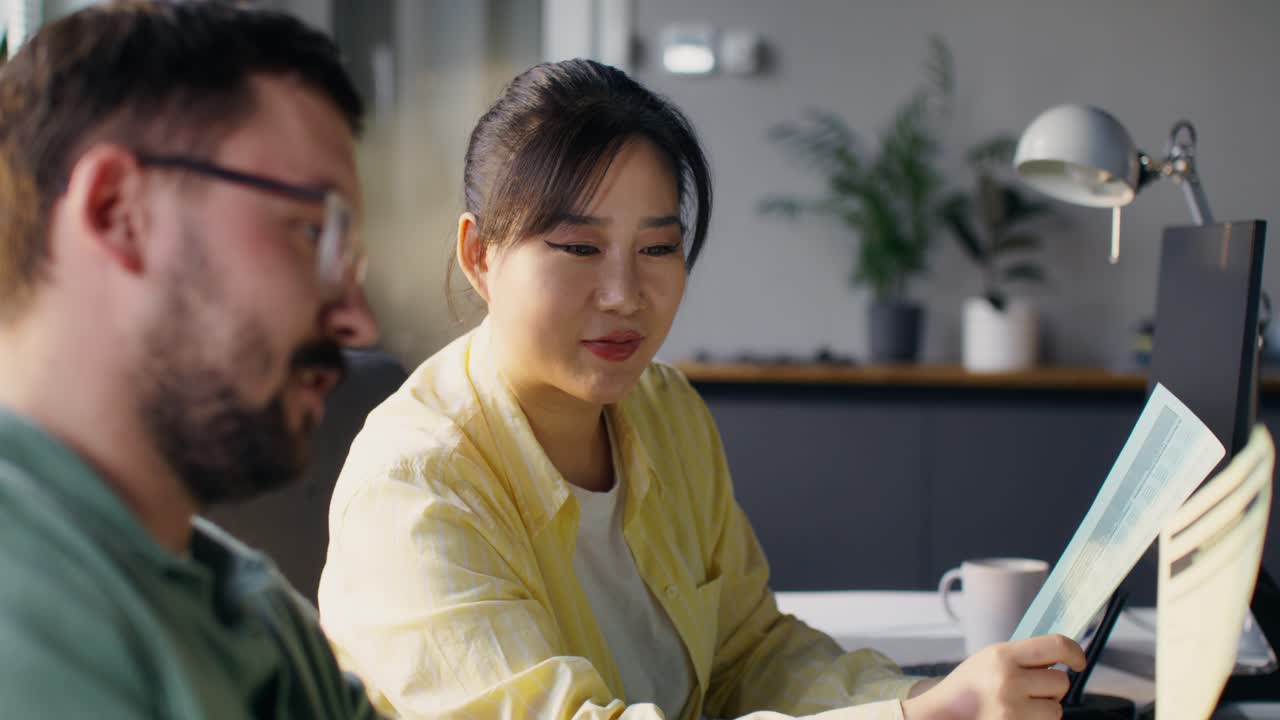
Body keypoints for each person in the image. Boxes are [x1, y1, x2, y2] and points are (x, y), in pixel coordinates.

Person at [319, 59, 1084, 720]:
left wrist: (925, 699)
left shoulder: (666, 412)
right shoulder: (415, 489)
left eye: (658, 246)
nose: (624, 293)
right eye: (579, 247)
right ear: (479, 255)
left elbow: (750, 656)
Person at [0, 2, 386, 717]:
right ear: (119, 211)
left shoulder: (252, 605)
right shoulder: (22, 602)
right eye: (311, 233)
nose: (356, 322)